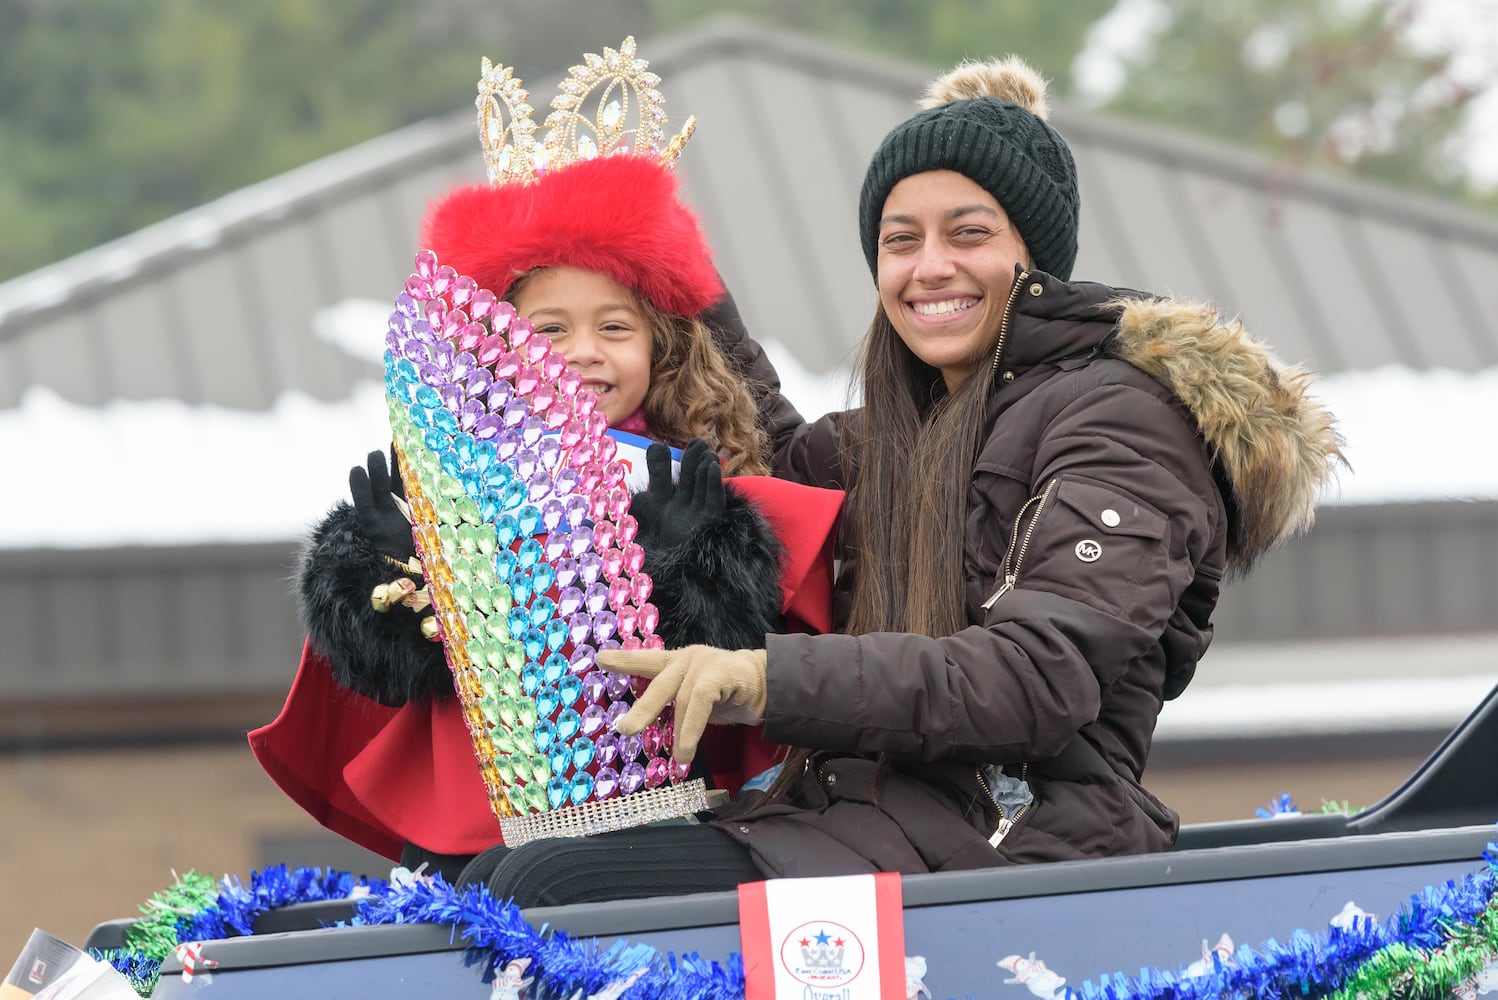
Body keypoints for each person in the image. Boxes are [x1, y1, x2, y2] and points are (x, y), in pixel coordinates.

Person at [465, 53, 1343, 905]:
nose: (930, 267)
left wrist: (763, 679)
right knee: (495, 872)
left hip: (1012, 854)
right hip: (860, 820)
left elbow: (1035, 678)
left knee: (557, 889)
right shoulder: (908, 430)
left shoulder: (1124, 421)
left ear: (1035, 256)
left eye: (969, 233)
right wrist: (654, 261)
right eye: (900, 240)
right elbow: (765, 460)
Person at [247, 41, 843, 884]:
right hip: (470, 831)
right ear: (497, 343)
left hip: (653, 827)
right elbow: (397, 676)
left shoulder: (699, 485)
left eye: (614, 327)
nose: (583, 354)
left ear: (661, 347)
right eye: (549, 329)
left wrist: (687, 561)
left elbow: (716, 682)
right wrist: (382, 573)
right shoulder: (450, 486)